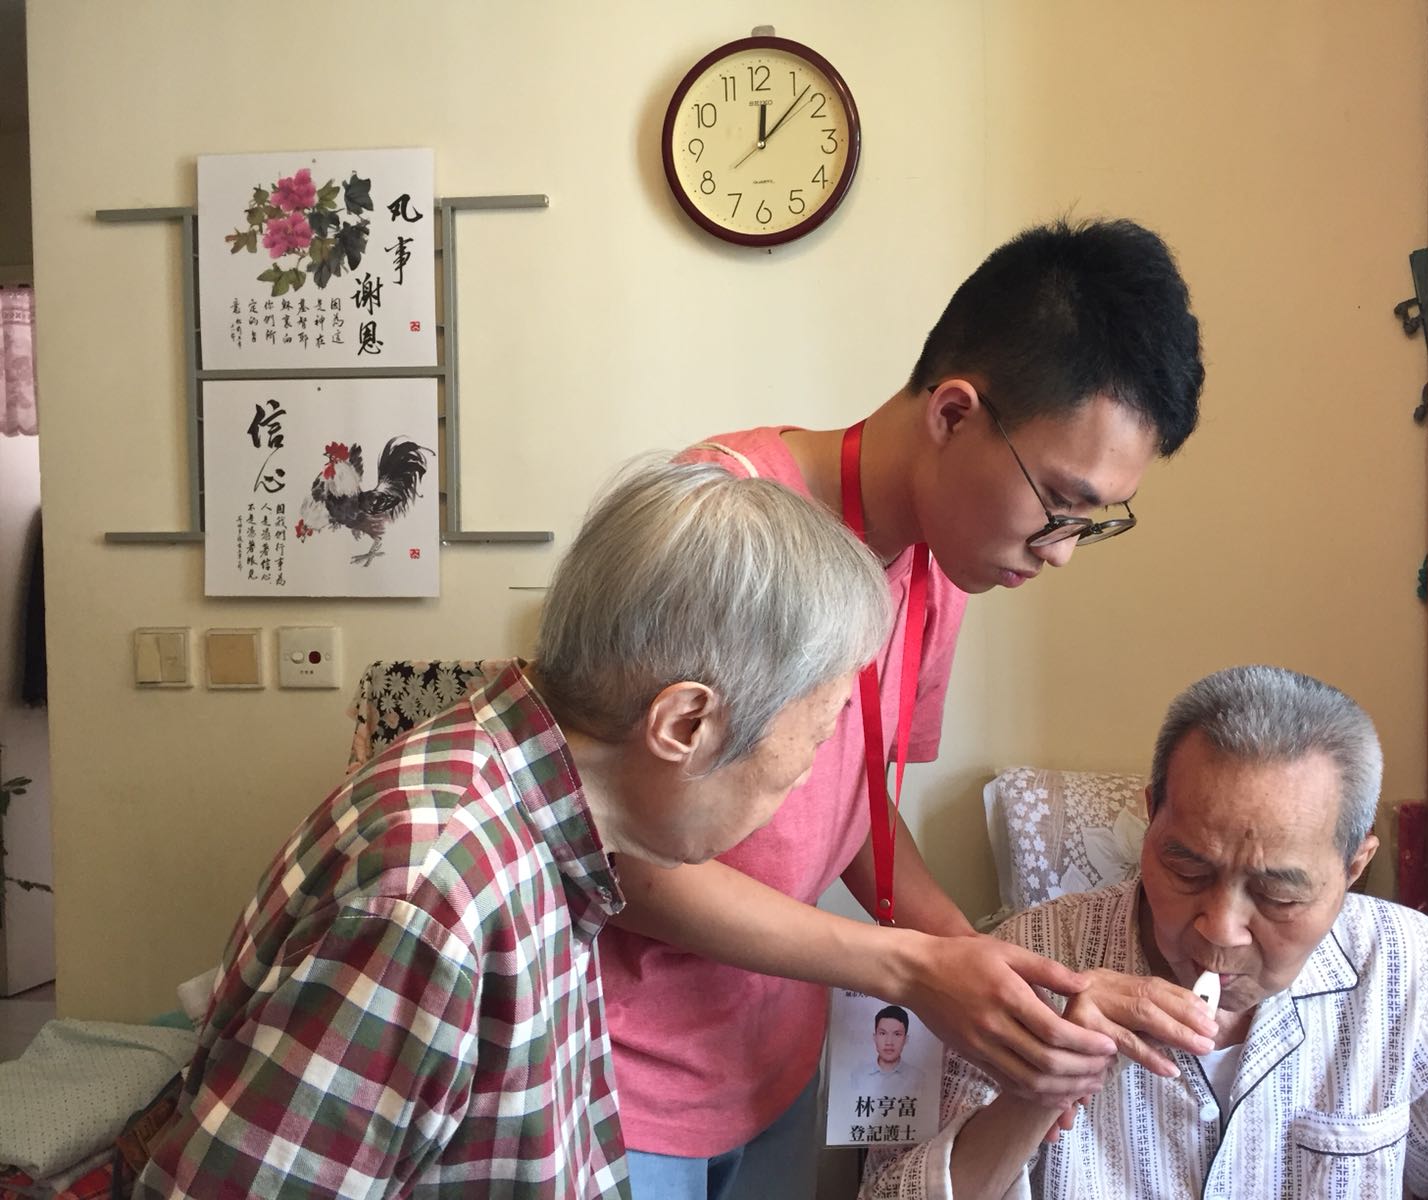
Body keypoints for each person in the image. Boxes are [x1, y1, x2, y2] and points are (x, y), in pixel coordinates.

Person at [603, 218, 1215, 1199]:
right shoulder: (720, 524)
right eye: (1058, 504)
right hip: (621, 1082)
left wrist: (996, 976)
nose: (1059, 550)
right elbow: (617, 854)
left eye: (1092, 523)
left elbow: (845, 802)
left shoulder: (939, 567)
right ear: (953, 414)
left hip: (772, 1071)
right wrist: (909, 971)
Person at [134, 461, 894, 1199]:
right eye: (819, 734)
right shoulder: (433, 891)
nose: (807, 774)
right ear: (685, 723)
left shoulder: (548, 817)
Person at [863, 665, 1428, 1199]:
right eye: (1186, 869)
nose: (1219, 928)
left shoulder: (1406, 969)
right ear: (1151, 817)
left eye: (1277, 895)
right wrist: (1039, 1089)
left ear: (1355, 865)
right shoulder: (1028, 960)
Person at [849, 1005, 929, 1098]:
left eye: (897, 1034)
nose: (889, 1042)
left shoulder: (918, 1079)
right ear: (875, 1037)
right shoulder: (858, 1076)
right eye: (883, 1033)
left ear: (905, 1039)